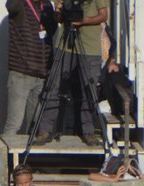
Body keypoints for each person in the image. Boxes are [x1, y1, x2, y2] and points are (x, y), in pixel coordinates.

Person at [33, 0, 107, 146]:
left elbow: (104, 16)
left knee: (89, 90)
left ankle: (89, 132)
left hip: (90, 47)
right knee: (53, 86)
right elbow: (58, 19)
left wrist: (84, 21)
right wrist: (59, 11)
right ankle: (45, 130)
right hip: (65, 44)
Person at [4, 0, 54, 136]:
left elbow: (52, 29)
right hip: (21, 72)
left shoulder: (47, 4)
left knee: (35, 124)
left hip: (42, 74)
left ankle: (30, 157)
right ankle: (7, 157)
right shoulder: (20, 4)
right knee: (14, 123)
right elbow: (11, 6)